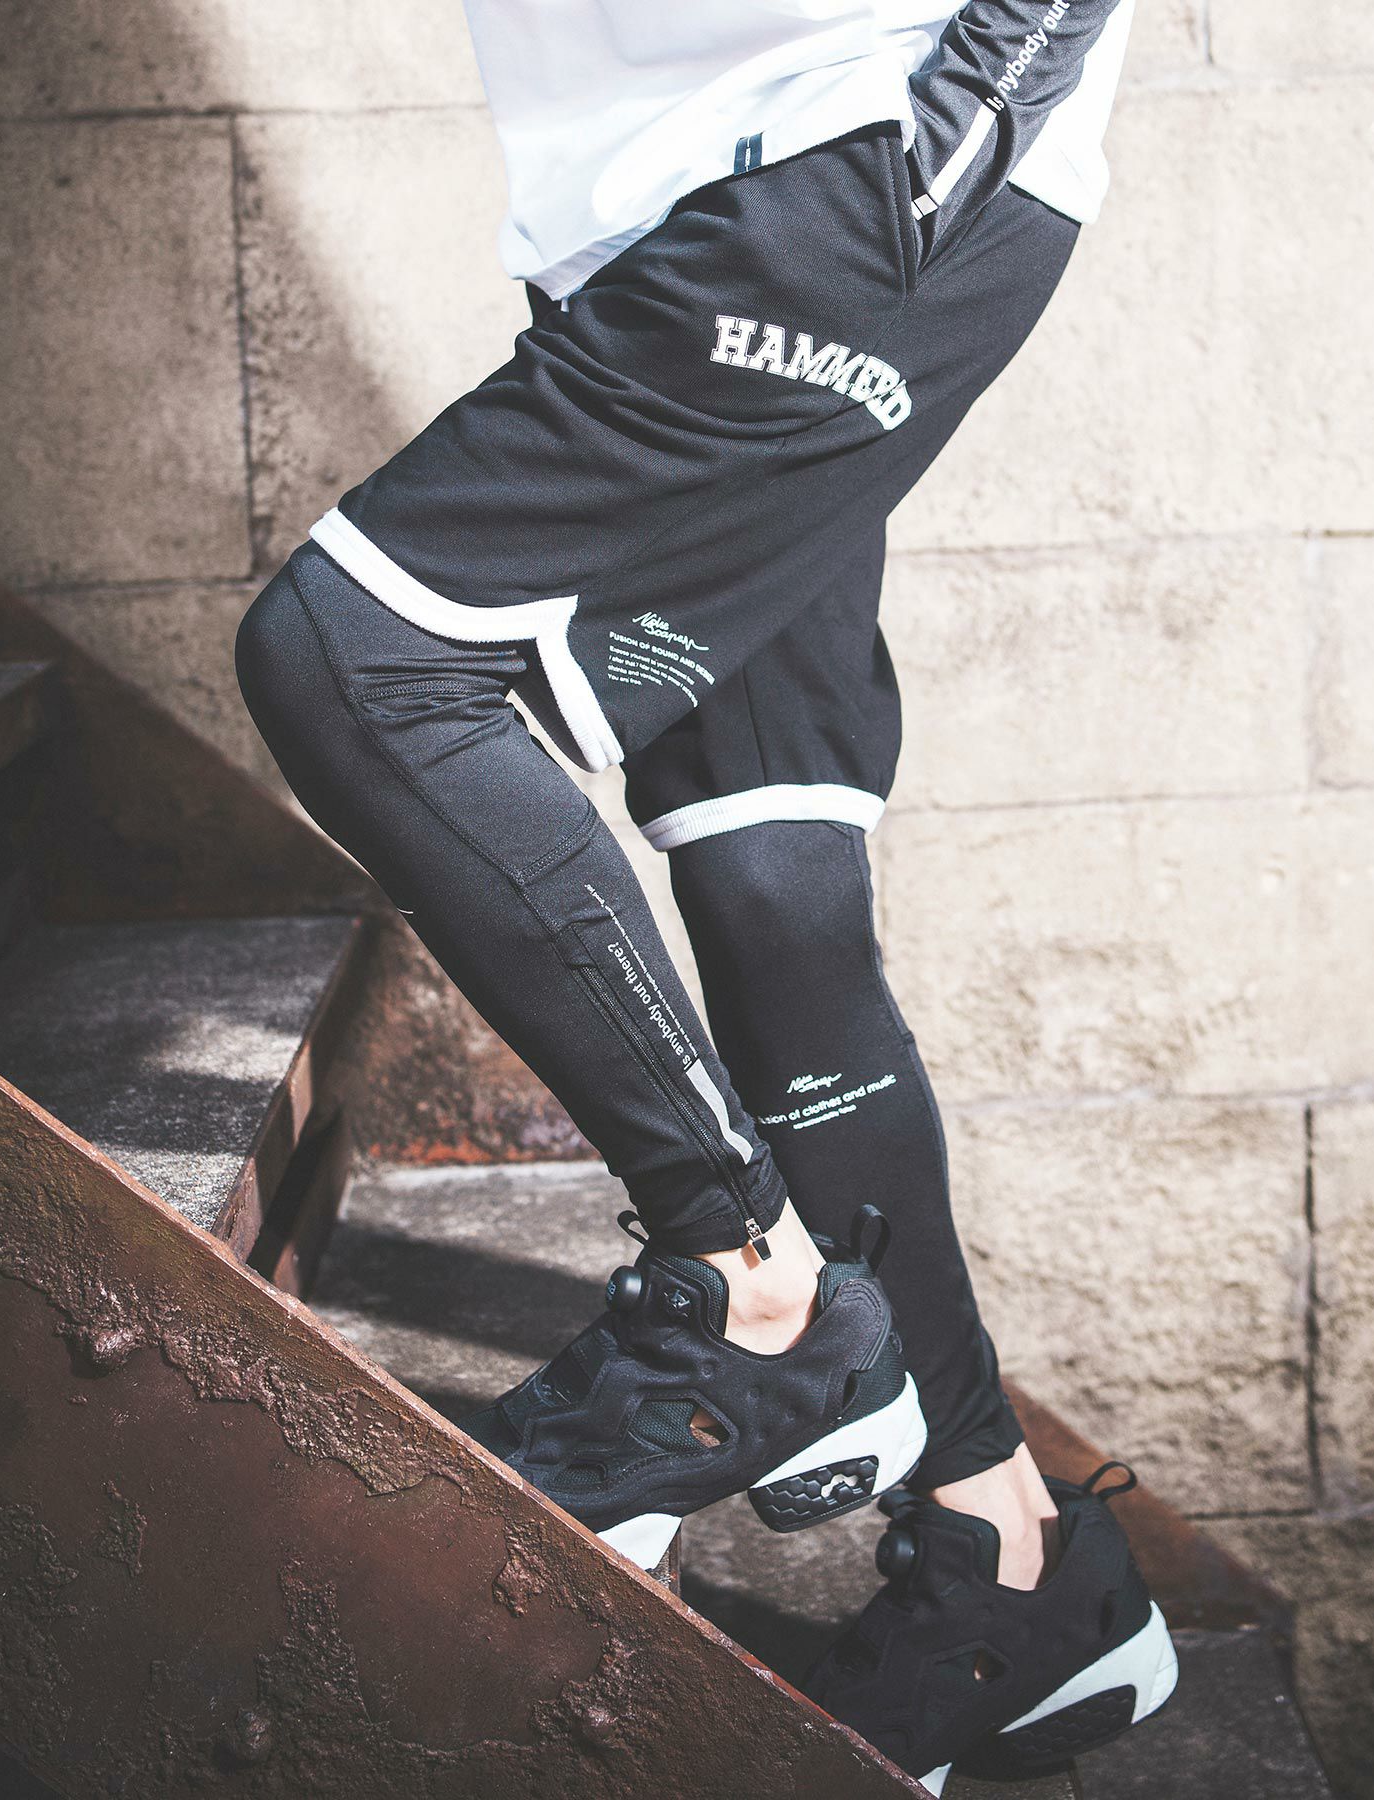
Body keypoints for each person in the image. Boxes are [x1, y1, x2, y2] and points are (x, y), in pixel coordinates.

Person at [235, 0, 1178, 1784]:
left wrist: (959, 122)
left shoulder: (897, 145)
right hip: (692, 201)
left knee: (355, 661)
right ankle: (1013, 1556)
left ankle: (753, 1289)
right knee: (768, 877)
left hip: (850, 159)